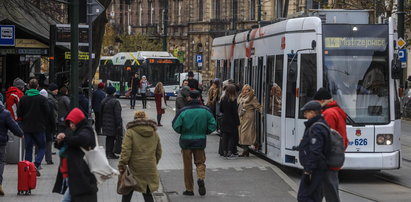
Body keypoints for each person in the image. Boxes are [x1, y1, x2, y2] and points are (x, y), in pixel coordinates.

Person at [172, 90, 216, 196]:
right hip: (200, 141)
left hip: (186, 142)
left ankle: (189, 189)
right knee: (200, 162)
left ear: (189, 98)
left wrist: (183, 131)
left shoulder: (183, 111)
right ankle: (200, 178)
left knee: (187, 167)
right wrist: (205, 131)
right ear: (199, 98)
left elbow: (176, 126)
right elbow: (213, 125)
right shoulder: (206, 110)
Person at [53, 108, 98, 202]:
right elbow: (65, 145)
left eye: (72, 122)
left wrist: (65, 139)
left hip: (80, 174)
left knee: (67, 199)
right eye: (69, 123)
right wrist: (59, 140)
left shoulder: (86, 130)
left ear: (77, 121)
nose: (71, 125)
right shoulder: (74, 131)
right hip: (73, 173)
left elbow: (80, 140)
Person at [118, 110, 162, 202]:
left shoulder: (130, 132)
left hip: (134, 167)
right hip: (149, 166)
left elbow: (126, 150)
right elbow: (159, 151)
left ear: (135, 119)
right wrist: (154, 162)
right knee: (147, 192)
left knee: (128, 189)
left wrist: (122, 163)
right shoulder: (154, 132)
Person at [313, 88, 348, 202]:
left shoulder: (329, 113)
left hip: (328, 157)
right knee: (325, 188)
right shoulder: (336, 110)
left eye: (317, 102)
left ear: (322, 100)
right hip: (334, 155)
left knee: (330, 190)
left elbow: (326, 137)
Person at [17, 78, 50, 176]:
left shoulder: (23, 99)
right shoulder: (42, 99)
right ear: (37, 86)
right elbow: (47, 112)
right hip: (39, 127)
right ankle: (36, 164)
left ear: (28, 86)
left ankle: (27, 167)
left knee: (28, 148)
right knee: (42, 147)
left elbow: (19, 113)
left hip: (26, 127)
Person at [297, 100, 328, 202]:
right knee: (315, 197)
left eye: (306, 112)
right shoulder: (317, 125)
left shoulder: (316, 127)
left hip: (315, 169)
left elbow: (316, 151)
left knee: (304, 197)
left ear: (313, 113)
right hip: (318, 167)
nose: (305, 114)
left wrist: (307, 171)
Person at [0, 100, 24, 195]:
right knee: (0, 162)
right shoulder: (5, 113)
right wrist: (20, 134)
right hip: (1, 142)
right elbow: (13, 126)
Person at [237, 84, 262, 157]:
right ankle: (246, 149)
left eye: (247, 89)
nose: (245, 91)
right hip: (242, 116)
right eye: (244, 89)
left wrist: (262, 112)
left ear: (249, 90)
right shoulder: (241, 96)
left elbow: (258, 106)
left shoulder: (252, 98)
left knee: (245, 133)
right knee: (242, 133)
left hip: (248, 116)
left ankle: (252, 145)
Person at [101, 86, 123, 159]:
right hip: (113, 124)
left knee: (108, 138)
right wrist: (119, 124)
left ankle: (108, 152)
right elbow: (117, 115)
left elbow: (100, 113)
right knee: (113, 138)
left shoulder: (104, 100)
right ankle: (111, 153)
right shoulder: (115, 102)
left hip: (105, 123)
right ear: (113, 92)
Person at [219, 84, 240, 159]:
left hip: (224, 119)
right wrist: (237, 122)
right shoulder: (233, 100)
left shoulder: (223, 98)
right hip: (232, 120)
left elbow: (221, 109)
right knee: (232, 136)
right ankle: (229, 152)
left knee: (225, 135)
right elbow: (235, 112)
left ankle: (224, 151)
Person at [40, 89, 57, 165]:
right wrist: (54, 127)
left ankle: (38, 158)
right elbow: (52, 117)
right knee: (48, 143)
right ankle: (49, 159)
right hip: (48, 126)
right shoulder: (50, 104)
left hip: (39, 125)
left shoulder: (37, 103)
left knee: (38, 143)